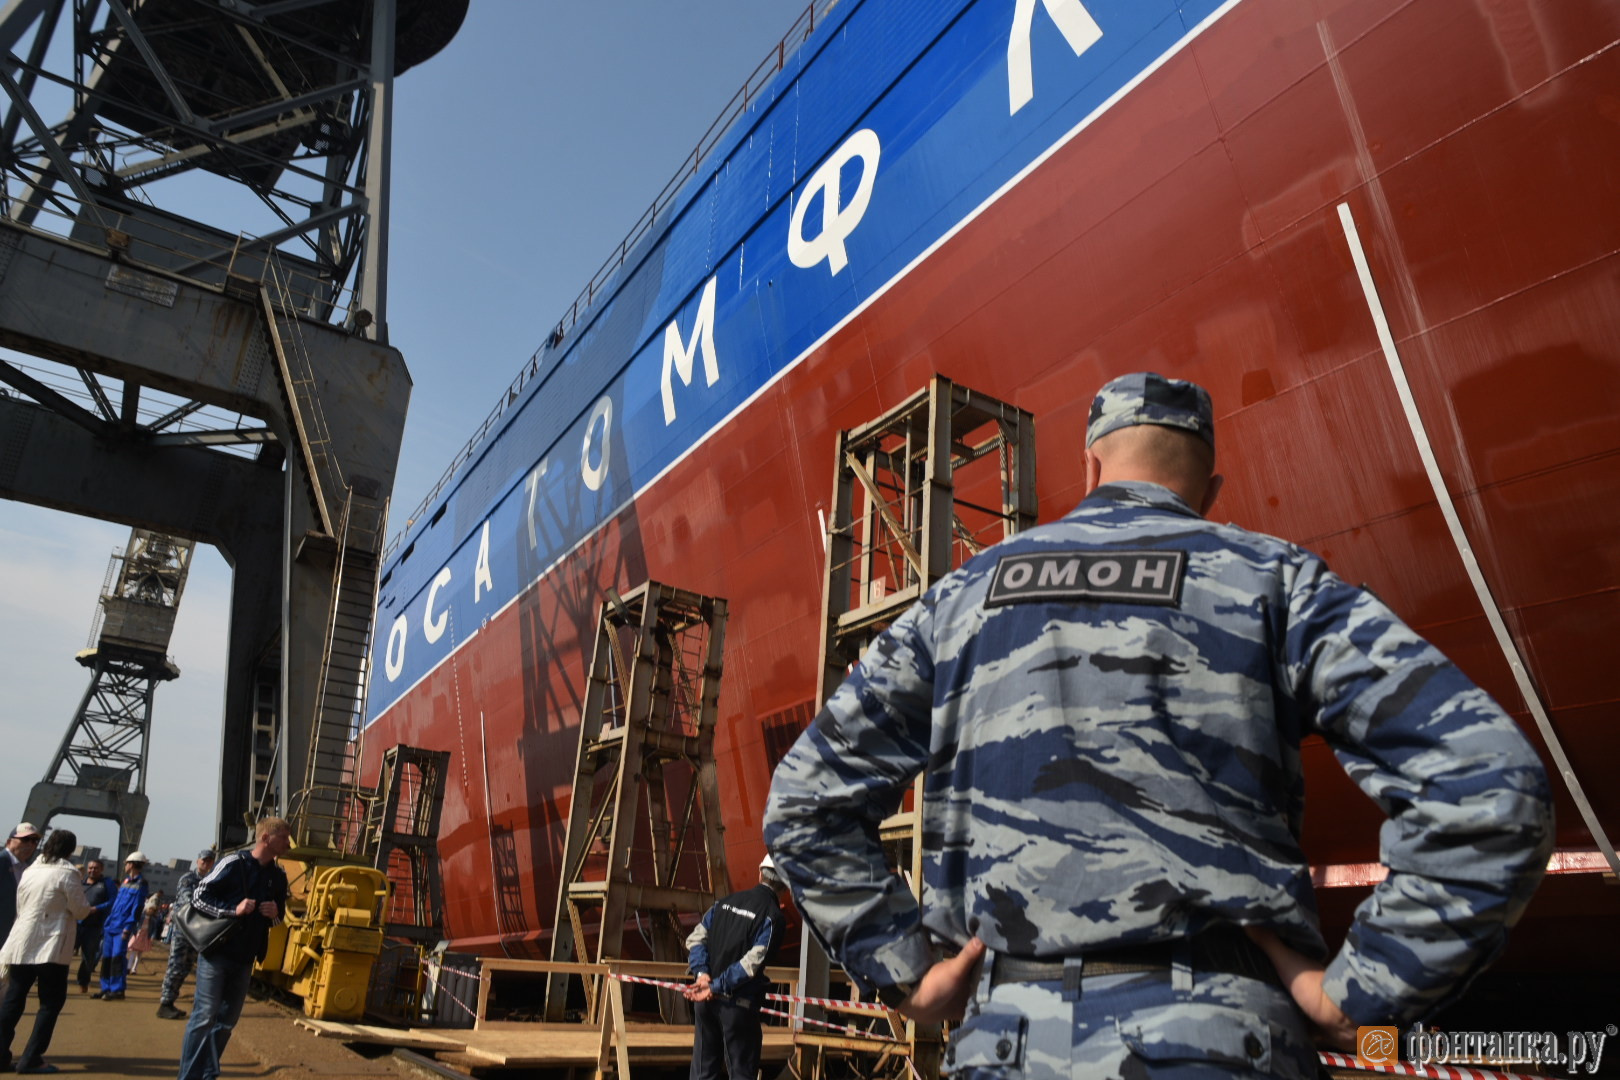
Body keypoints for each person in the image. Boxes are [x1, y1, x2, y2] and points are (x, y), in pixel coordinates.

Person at [763, 372, 1555, 1079]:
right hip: (1221, 1038)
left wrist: (907, 972)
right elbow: (1489, 783)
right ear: (1209, 490)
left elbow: (804, 801)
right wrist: (1364, 993)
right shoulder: (1273, 581)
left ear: (1089, 470)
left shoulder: (962, 597)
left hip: (1005, 1045)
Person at [176, 817, 290, 1080]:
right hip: (218, 955)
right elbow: (198, 896)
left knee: (226, 1022)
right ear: (265, 838)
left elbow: (278, 917)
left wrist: (274, 912)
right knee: (204, 1017)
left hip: (246, 958)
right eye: (283, 837)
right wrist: (232, 910)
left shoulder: (278, 876)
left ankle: (206, 1074)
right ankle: (189, 1077)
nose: (288, 842)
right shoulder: (232, 863)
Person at [683, 855, 789, 1080]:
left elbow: (695, 939)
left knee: (702, 1073)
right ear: (787, 886)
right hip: (736, 1007)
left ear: (759, 873)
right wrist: (716, 986)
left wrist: (702, 976)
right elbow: (751, 964)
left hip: (706, 1003)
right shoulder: (773, 917)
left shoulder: (724, 902)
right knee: (741, 1073)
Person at [0, 828, 91, 1074]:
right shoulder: (67, 872)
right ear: (70, 851)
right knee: (50, 1002)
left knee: (13, 1000)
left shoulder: (30, 870)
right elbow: (80, 910)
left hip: (21, 942)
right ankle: (31, 1058)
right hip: (51, 946)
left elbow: (21, 905)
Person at [158, 849, 215, 1020]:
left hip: (198, 932)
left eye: (210, 860)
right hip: (184, 929)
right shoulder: (188, 879)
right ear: (197, 861)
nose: (206, 863)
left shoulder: (213, 881)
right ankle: (165, 1003)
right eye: (204, 860)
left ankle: (170, 1002)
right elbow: (188, 900)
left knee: (186, 967)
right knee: (176, 965)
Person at [96, 852, 149, 1000]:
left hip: (122, 927)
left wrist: (128, 927)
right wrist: (107, 922)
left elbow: (137, 908)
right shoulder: (125, 881)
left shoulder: (141, 884)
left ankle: (117, 990)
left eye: (126, 863)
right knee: (107, 959)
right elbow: (117, 904)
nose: (125, 866)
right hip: (111, 925)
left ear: (131, 864)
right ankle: (105, 988)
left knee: (117, 958)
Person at [1, 824, 42, 951]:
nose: (30, 844)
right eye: (25, 840)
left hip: (12, 935)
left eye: (34, 841)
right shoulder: (1, 862)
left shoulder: (28, 869)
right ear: (9, 842)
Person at [75, 860, 112, 995]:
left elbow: (113, 901)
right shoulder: (80, 882)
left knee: (88, 956)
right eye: (90, 868)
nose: (92, 870)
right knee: (64, 953)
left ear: (101, 869)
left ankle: (83, 981)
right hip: (76, 924)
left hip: (94, 926)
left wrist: (97, 908)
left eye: (96, 868)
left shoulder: (107, 884)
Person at [127, 889, 164, 975]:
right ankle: (129, 967)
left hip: (144, 936)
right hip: (138, 935)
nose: (150, 911)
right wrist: (134, 932)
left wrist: (151, 937)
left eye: (152, 910)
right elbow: (135, 925)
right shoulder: (141, 917)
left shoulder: (153, 920)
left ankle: (134, 969)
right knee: (133, 952)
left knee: (138, 954)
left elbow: (153, 930)